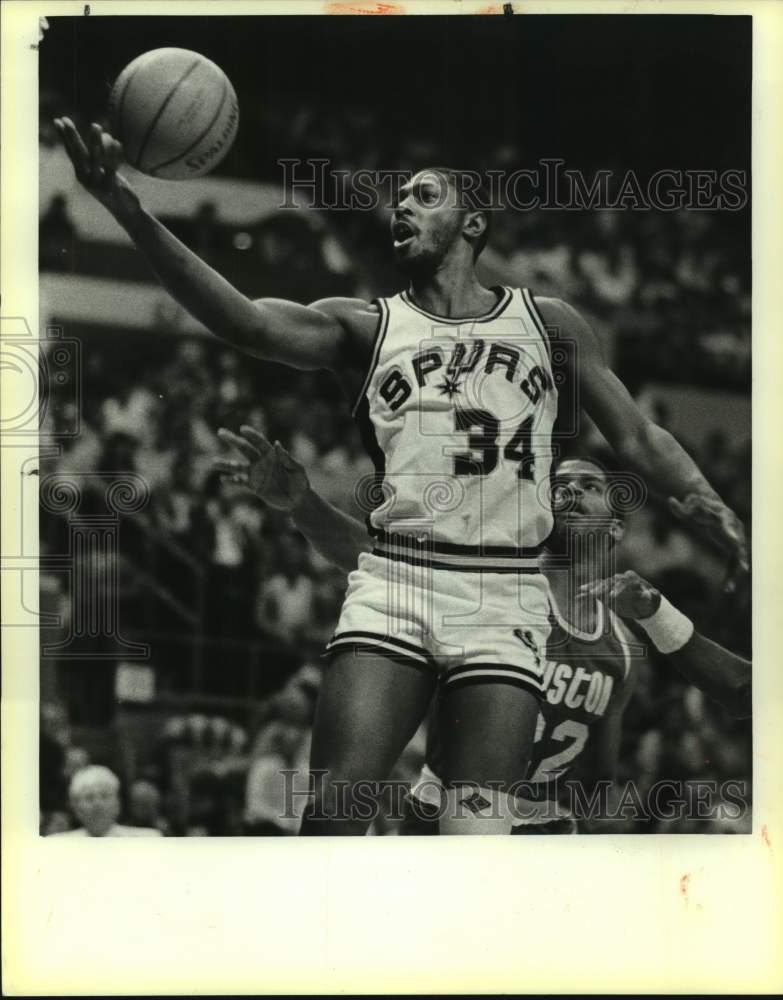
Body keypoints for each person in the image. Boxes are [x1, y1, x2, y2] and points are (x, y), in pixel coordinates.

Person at [56, 117, 747, 834]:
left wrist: (703, 498)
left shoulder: (550, 323)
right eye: (400, 198)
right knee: (335, 811)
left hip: (504, 593)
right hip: (399, 582)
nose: (402, 207)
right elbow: (248, 324)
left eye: (424, 195)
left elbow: (637, 435)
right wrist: (127, 207)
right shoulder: (365, 326)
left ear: (473, 223)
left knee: (475, 833)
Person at [215, 430, 751, 834]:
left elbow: (594, 783)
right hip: (446, 815)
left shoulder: (625, 649)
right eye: (558, 486)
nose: (570, 492)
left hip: (546, 830)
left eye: (588, 486)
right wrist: (304, 504)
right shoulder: (490, 580)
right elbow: (371, 554)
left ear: (615, 526)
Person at [48, 765, 163, 837]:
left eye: (105, 796)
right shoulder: (58, 844)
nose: (98, 804)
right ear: (76, 808)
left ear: (117, 804)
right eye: (89, 798)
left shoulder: (148, 838)